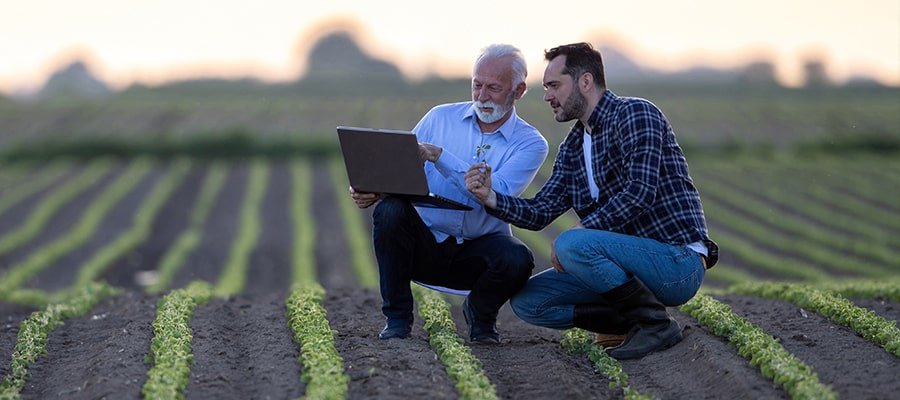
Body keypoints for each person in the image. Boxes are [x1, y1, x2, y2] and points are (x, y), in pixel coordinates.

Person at [465, 42, 718, 359]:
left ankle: (655, 325)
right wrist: (490, 197)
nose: (547, 96)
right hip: (623, 267)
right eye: (546, 87)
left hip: (674, 262)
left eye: (554, 85)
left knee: (573, 243)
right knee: (529, 302)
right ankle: (626, 324)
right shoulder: (573, 147)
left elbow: (639, 193)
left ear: (585, 81)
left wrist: (580, 233)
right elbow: (540, 211)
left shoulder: (635, 114)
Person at [350, 44, 549, 344]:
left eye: (494, 88)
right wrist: (369, 188)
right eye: (477, 85)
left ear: (519, 91)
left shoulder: (530, 143)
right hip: (425, 245)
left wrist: (439, 156)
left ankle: (481, 316)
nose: (482, 96)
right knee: (390, 210)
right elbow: (399, 166)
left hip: (477, 252)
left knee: (518, 257)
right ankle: (397, 319)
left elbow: (499, 193)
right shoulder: (439, 118)